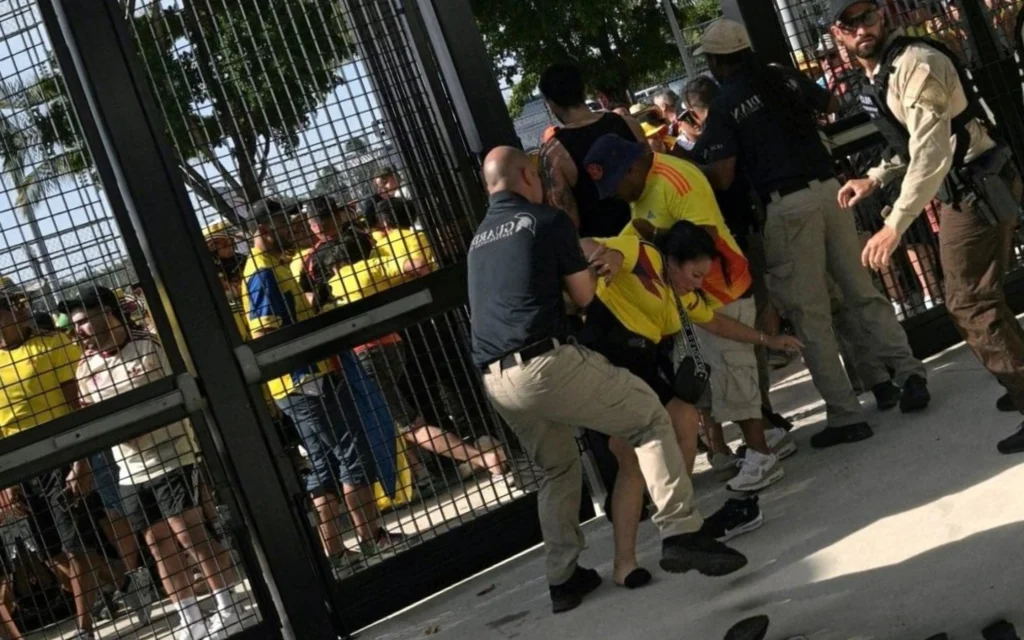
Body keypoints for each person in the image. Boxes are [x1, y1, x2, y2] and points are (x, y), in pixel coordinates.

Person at [468, 146, 748, 614]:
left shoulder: (479, 240)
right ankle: (683, 531)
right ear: (524, 175)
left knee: (557, 470)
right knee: (649, 418)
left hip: (496, 380)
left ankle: (563, 579)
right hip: (547, 363)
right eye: (537, 175)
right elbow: (582, 294)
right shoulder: (545, 220)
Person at [691, 18, 930, 449]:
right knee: (861, 291)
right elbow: (828, 105)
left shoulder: (726, 104)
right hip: (830, 190)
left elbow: (723, 176)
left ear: (715, 61)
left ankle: (845, 414)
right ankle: (908, 373)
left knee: (811, 315)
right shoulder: (782, 76)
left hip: (787, 205)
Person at [830, 0, 1024, 453]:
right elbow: (912, 144)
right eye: (849, 23)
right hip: (966, 186)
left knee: (969, 303)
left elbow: (933, 151)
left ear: (884, 18)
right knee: (983, 299)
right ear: (837, 35)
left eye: (868, 17)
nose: (862, 29)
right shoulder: (887, 73)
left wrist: (895, 224)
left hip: (976, 187)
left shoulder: (917, 64)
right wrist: (874, 178)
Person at [577, 227, 801, 587]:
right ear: (673, 262)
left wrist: (769, 339)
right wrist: (605, 257)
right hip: (608, 359)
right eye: (695, 275)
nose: (697, 284)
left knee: (682, 418)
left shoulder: (681, 294)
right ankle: (634, 558)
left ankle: (679, 525)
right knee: (631, 459)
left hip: (641, 365)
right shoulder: (644, 254)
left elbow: (715, 321)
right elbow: (588, 244)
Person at [584, 134, 796, 491]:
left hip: (720, 291)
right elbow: (637, 235)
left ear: (633, 167)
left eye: (617, 184)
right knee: (714, 377)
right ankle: (755, 441)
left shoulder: (675, 181)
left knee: (733, 374)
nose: (617, 194)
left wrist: (662, 265)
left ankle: (762, 454)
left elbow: (704, 241)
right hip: (693, 298)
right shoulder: (643, 191)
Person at [68, 287, 245, 640]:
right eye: (76, 324)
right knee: (157, 542)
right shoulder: (86, 368)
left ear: (107, 312)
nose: (80, 330)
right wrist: (81, 464)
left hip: (171, 453)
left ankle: (228, 606)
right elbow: (88, 419)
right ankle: (190, 617)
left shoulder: (148, 346)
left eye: (85, 320)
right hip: (130, 467)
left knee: (190, 533)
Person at [242, 198, 406, 575]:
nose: (296, 225)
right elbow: (266, 330)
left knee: (322, 465)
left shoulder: (272, 267)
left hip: (299, 383)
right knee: (353, 450)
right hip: (307, 380)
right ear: (265, 229)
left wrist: (315, 307)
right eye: (287, 221)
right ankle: (370, 537)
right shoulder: (263, 272)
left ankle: (334, 552)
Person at [0, 286, 121, 640]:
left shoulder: (52, 346)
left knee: (73, 545)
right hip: (20, 468)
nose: (19, 309)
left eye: (18, 302)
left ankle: (85, 628)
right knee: (52, 553)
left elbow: (76, 410)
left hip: (60, 458)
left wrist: (81, 463)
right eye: (8, 305)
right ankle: (119, 576)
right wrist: (7, 479)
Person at [682, 75, 796, 434]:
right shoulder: (740, 130)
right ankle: (762, 411)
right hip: (753, 230)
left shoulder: (715, 139)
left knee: (744, 332)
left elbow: (721, 180)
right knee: (758, 323)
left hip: (732, 251)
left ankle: (761, 416)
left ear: (696, 111)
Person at [537, 62, 646, 238]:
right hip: (651, 234)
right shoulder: (628, 124)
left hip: (606, 253)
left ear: (551, 103)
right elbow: (657, 175)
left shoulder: (554, 154)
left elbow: (569, 225)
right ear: (583, 89)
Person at [360, 166, 415, 232]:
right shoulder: (402, 190)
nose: (384, 188)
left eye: (385, 182)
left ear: (394, 176)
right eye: (381, 186)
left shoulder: (402, 192)